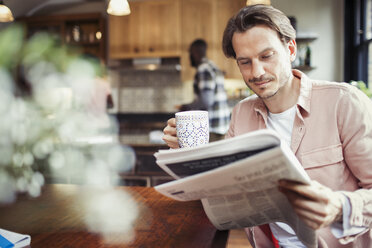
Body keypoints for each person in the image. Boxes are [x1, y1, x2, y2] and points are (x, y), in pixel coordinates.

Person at [163, 4, 372, 248]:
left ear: (290, 48)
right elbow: (224, 192)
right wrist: (188, 154)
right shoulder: (241, 114)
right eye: (245, 62)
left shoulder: (343, 102)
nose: (257, 72)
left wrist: (339, 207)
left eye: (266, 56)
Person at [179, 39, 230, 141]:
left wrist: (186, 107)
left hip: (211, 128)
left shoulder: (203, 69)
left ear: (195, 53)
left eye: (190, 53)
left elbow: (206, 101)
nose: (190, 57)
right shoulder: (213, 66)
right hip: (221, 126)